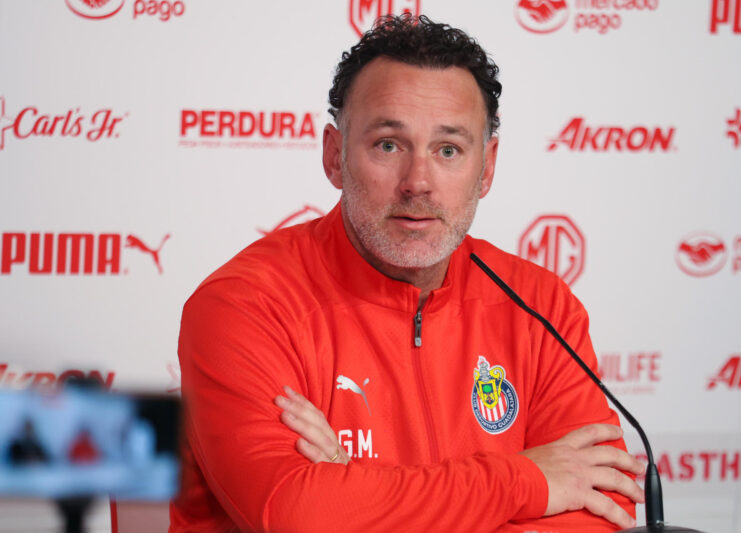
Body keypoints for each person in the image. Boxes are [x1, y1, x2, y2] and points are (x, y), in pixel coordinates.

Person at [169, 14, 644, 533]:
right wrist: (525, 480)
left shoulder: (540, 305)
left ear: (485, 168)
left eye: (448, 150)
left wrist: (353, 494)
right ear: (334, 156)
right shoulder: (247, 305)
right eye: (389, 145)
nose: (418, 182)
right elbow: (292, 514)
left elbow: (603, 508)